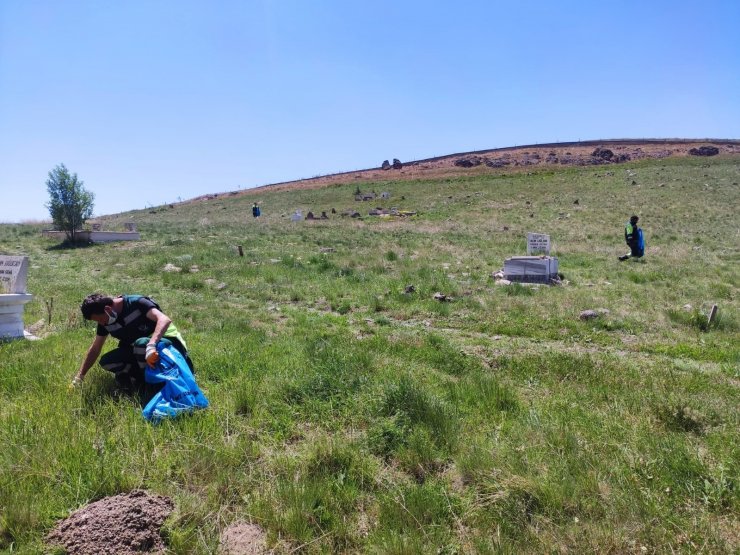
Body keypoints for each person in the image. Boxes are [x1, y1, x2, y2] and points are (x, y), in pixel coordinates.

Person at [71, 294, 194, 391]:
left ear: (108, 309)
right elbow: (95, 348)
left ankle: (152, 388)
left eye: (101, 319)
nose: (102, 324)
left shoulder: (137, 303)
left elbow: (164, 319)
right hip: (142, 351)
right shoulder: (105, 322)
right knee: (107, 361)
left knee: (141, 344)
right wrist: (80, 376)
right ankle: (141, 382)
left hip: (169, 346)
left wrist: (151, 345)